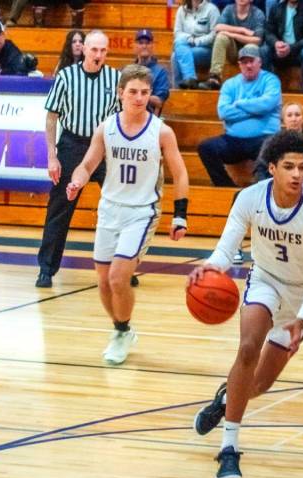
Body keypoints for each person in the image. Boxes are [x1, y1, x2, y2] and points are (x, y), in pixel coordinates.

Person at [190, 130, 303, 478]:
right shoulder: (250, 198)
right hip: (265, 281)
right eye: (289, 166)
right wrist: (210, 267)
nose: (297, 174)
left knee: (259, 384)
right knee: (247, 348)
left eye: (302, 167)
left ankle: (224, 401)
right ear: (272, 168)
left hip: (302, 296)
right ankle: (229, 448)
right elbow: (227, 249)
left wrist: (302, 318)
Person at [65, 64, 190, 365]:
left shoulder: (162, 132)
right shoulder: (106, 128)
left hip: (142, 211)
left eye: (145, 92)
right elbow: (88, 164)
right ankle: (122, 328)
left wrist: (180, 215)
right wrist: (77, 181)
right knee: (104, 281)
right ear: (120, 93)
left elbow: (180, 173)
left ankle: (121, 333)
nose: (139, 98)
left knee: (119, 278)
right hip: (110, 208)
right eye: (133, 92)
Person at [36, 31, 119, 288]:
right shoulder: (66, 76)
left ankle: (123, 266)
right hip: (72, 144)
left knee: (119, 206)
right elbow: (51, 117)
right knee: (60, 208)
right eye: (94, 50)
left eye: (103, 50)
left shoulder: (115, 78)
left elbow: (121, 119)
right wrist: (52, 156)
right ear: (84, 50)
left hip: (104, 147)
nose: (98, 55)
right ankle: (46, 268)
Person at [197, 43, 281, 187]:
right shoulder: (230, 84)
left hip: (263, 137)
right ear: (239, 65)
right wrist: (255, 110)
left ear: (260, 62)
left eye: (251, 61)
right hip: (233, 139)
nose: (248, 65)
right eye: (244, 62)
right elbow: (223, 112)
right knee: (206, 147)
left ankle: (263, 188)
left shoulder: (271, 80)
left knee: (272, 147)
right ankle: (225, 186)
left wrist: (240, 103)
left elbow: (267, 104)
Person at [261, 0, 303, 93]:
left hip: (301, 50)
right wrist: (276, 43)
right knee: (264, 50)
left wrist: (292, 48)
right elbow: (268, 32)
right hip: (281, 50)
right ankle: (269, 91)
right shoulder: (276, 8)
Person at [253, 101, 303, 183]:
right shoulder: (273, 142)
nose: (294, 119)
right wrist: (267, 185)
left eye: (297, 115)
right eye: (289, 115)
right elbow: (260, 168)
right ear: (283, 120)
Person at [203, 0, 265, 89]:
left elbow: (257, 40)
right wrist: (242, 30)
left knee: (251, 47)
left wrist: (232, 34)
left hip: (249, 51)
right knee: (221, 37)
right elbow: (218, 27)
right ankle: (215, 77)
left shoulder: (258, 14)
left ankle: (252, 81)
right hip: (232, 51)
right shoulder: (228, 9)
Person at [173, 0, 219, 89]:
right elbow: (177, 33)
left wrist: (196, 41)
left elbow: (214, 35)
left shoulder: (212, 9)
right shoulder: (181, 10)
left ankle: (187, 82)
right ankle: (186, 83)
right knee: (176, 52)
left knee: (177, 55)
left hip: (206, 49)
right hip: (186, 45)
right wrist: (189, 39)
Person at [132, 29, 170, 114]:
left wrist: (135, 94)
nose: (144, 46)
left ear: (153, 46)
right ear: (135, 46)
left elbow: (159, 102)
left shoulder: (160, 72)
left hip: (149, 117)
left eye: (147, 43)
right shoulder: (127, 70)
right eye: (141, 43)